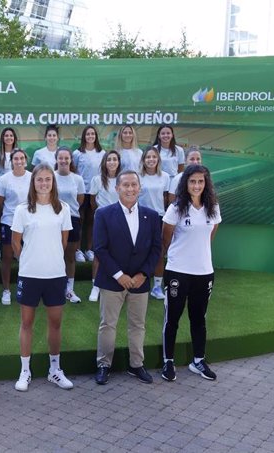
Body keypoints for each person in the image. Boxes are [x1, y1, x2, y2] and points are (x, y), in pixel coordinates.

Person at [92, 170, 162, 385]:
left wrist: (143, 274)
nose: (130, 189)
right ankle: (104, 364)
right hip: (112, 281)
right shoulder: (103, 214)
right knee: (108, 325)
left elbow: (156, 249)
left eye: (134, 185)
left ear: (140, 188)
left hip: (140, 282)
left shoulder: (151, 216)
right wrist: (119, 275)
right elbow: (100, 249)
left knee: (137, 325)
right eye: (126, 185)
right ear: (117, 188)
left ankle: (136, 365)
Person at [11, 164, 74, 392]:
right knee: (26, 323)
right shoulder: (22, 210)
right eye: (40, 180)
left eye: (48, 179)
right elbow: (15, 243)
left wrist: (50, 258)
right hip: (29, 275)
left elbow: (64, 242)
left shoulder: (63, 209)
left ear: (53, 182)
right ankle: (25, 371)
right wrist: (29, 259)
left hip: (55, 275)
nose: (44, 183)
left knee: (55, 324)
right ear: (33, 182)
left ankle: (54, 370)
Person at [161, 165, 221, 382]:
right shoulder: (176, 208)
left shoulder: (212, 207)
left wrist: (199, 256)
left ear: (206, 184)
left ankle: (198, 361)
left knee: (199, 318)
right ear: (186, 183)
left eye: (201, 182)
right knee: (172, 319)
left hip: (204, 273)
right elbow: (165, 240)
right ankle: (168, 361)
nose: (197, 185)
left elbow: (210, 235)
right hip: (178, 271)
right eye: (193, 181)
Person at [0, 149, 31, 305]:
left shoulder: (32, 177)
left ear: (25, 160)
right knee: (7, 257)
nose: (19, 161)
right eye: (16, 158)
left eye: (22, 158)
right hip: (9, 222)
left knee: (28, 257)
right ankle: (6, 290)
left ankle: (27, 289)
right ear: (11, 161)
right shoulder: (3, 180)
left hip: (30, 223)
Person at [87, 150, 122, 302]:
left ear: (119, 162)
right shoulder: (97, 179)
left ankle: (117, 283)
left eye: (115, 159)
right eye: (109, 160)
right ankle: (95, 286)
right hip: (102, 221)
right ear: (104, 163)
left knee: (119, 253)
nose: (112, 162)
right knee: (99, 253)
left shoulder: (123, 179)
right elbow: (93, 201)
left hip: (120, 221)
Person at [138, 146, 171, 300]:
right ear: (143, 160)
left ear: (158, 159)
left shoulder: (165, 177)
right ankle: (136, 284)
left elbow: (165, 198)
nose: (151, 160)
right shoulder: (138, 176)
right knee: (138, 251)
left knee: (158, 252)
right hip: (140, 217)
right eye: (148, 157)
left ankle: (157, 287)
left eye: (154, 157)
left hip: (158, 217)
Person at [54, 146, 86, 304]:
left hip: (72, 219)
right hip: (53, 219)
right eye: (61, 158)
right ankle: (53, 288)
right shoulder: (51, 177)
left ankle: (69, 289)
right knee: (53, 254)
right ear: (56, 159)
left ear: (70, 160)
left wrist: (68, 211)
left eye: (66, 158)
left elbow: (79, 200)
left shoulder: (77, 179)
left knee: (70, 257)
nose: (64, 160)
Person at [73, 126, 105, 263]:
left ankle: (89, 249)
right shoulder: (77, 153)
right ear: (84, 137)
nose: (90, 136)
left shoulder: (102, 153)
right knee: (80, 221)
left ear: (96, 136)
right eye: (88, 134)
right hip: (81, 192)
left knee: (92, 222)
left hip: (96, 193)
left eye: (92, 134)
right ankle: (78, 250)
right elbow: (73, 171)